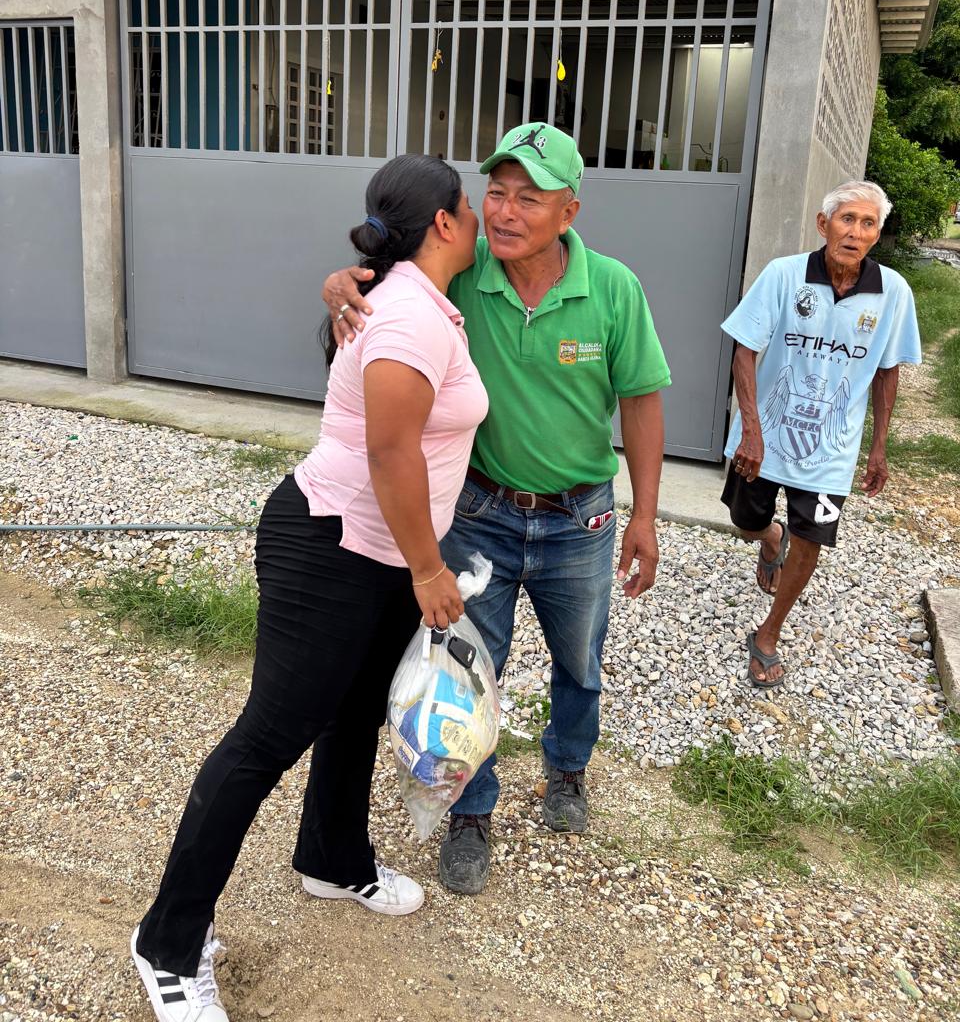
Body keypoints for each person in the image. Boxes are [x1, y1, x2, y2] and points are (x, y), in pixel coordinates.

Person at [131, 155, 487, 1022]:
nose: (482, 217)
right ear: (444, 222)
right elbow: (390, 451)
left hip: (380, 551)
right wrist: (430, 570)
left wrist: (413, 562)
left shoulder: (413, 298)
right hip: (331, 545)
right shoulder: (407, 315)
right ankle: (166, 944)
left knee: (354, 712)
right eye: (473, 204)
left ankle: (333, 859)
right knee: (266, 739)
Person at [325, 122, 670, 896]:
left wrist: (644, 514)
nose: (507, 212)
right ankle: (469, 810)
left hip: (580, 519)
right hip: (482, 512)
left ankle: (567, 768)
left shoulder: (614, 288)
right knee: (469, 668)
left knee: (579, 661)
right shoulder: (461, 268)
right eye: (498, 193)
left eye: (530, 198)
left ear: (568, 212)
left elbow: (642, 401)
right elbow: (381, 285)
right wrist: (339, 282)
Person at [722, 180, 921, 689]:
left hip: (831, 451)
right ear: (823, 224)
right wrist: (751, 431)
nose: (855, 232)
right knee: (745, 521)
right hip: (765, 439)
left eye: (868, 223)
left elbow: (888, 370)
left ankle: (768, 634)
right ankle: (771, 538)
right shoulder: (784, 275)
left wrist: (878, 448)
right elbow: (744, 350)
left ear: (877, 234)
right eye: (846, 219)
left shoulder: (893, 292)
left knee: (811, 541)